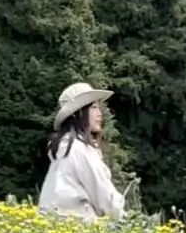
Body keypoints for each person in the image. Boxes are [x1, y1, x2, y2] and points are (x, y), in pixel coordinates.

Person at [38, 82, 128, 223]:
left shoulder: (64, 148)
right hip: (77, 227)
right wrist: (124, 217)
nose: (99, 114)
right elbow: (104, 197)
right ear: (78, 113)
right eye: (93, 108)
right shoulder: (78, 149)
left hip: (54, 226)